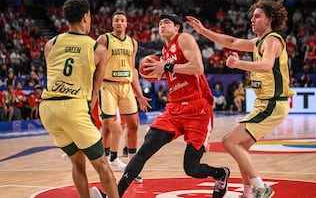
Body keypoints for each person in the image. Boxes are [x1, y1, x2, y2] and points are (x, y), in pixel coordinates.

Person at [90, 13, 230, 198]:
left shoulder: (184, 39)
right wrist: (159, 73)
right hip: (174, 109)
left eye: (167, 23)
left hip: (198, 110)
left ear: (177, 27)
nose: (162, 26)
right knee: (145, 149)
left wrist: (167, 67)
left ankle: (220, 174)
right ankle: (114, 194)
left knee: (191, 167)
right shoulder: (164, 51)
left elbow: (197, 67)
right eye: (160, 23)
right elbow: (171, 71)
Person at [187, 0, 294, 198]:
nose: (252, 20)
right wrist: (203, 31)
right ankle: (249, 194)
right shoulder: (258, 42)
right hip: (263, 104)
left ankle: (261, 188)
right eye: (252, 16)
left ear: (269, 19)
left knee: (229, 142)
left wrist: (238, 64)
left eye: (257, 16)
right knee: (241, 147)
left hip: (272, 104)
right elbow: (231, 42)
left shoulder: (272, 39)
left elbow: (266, 65)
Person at [38, 0, 119, 198]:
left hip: (47, 108)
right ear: (86, 16)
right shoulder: (97, 48)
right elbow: (96, 87)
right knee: (101, 164)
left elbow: (54, 72)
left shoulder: (51, 43)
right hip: (73, 107)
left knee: (77, 161)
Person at [96, 11, 151, 183]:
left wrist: (140, 94)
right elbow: (94, 64)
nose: (119, 23)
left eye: (122, 20)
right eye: (116, 20)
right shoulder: (104, 39)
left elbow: (133, 70)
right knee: (108, 125)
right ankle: (106, 161)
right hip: (108, 85)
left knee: (133, 125)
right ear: (112, 24)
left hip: (126, 86)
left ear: (127, 24)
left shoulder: (133, 43)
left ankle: (131, 168)